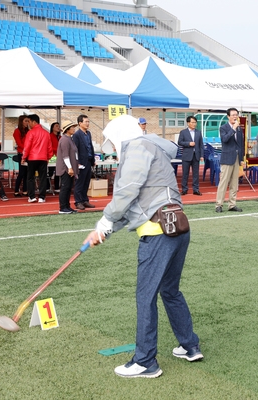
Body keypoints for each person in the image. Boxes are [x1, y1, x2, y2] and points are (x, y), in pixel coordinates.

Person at [83, 124, 202, 379]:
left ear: (121, 135)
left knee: (146, 296)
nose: (113, 149)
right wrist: (105, 229)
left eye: (113, 143)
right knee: (170, 291)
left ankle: (145, 361)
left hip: (157, 232)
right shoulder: (153, 148)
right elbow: (137, 203)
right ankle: (189, 345)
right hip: (178, 227)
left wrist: (104, 222)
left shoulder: (137, 147)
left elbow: (127, 192)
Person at [215, 108, 244, 213]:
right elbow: (225, 139)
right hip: (227, 158)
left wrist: (242, 158)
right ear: (228, 116)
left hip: (236, 158)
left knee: (234, 183)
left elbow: (241, 144)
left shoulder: (239, 129)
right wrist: (233, 129)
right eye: (233, 115)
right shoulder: (224, 128)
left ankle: (232, 204)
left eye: (236, 115)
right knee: (223, 182)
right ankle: (219, 204)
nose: (235, 117)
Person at [22, 114, 53, 203]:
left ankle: (31, 196)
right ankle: (42, 197)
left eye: (29, 122)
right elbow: (49, 147)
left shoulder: (30, 132)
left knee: (30, 178)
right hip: (43, 158)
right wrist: (48, 157)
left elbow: (27, 147)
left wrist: (24, 157)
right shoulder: (46, 133)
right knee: (42, 178)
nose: (28, 124)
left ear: (33, 122)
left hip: (32, 158)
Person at [72, 114, 96, 210]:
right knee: (80, 182)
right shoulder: (77, 135)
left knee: (86, 182)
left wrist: (93, 159)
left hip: (89, 160)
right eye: (86, 122)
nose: (88, 123)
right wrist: (77, 162)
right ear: (80, 123)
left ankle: (85, 200)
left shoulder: (88, 133)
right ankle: (78, 201)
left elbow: (90, 146)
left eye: (88, 121)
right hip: (81, 162)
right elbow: (75, 149)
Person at [56, 121, 79, 214]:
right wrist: (69, 167)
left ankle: (67, 206)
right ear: (67, 129)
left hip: (69, 168)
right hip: (65, 169)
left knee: (68, 187)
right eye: (72, 127)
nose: (74, 129)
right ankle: (63, 207)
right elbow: (65, 155)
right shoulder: (65, 140)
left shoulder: (69, 139)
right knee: (65, 188)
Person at [178, 116, 204, 196]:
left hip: (196, 156)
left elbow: (201, 145)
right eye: (192, 122)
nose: (194, 124)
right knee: (185, 173)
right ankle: (184, 189)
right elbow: (180, 142)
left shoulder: (198, 132)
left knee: (195, 174)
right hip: (186, 156)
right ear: (188, 123)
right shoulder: (183, 132)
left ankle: (196, 189)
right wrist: (188, 144)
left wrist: (201, 155)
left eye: (195, 122)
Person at [12, 115, 29, 197]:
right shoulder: (17, 131)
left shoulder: (27, 130)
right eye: (26, 121)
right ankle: (16, 191)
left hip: (27, 153)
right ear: (21, 121)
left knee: (26, 173)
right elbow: (19, 143)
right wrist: (27, 149)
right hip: (21, 154)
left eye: (28, 121)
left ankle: (25, 190)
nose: (27, 123)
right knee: (21, 173)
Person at [48, 122, 61, 193]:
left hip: (59, 156)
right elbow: (50, 146)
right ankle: (47, 187)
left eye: (58, 126)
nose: (58, 127)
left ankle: (56, 187)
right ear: (52, 128)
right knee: (50, 172)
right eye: (56, 126)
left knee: (58, 172)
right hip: (52, 156)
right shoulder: (50, 136)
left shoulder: (60, 137)